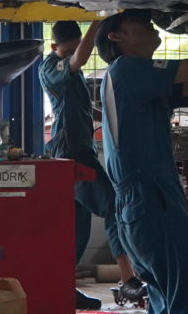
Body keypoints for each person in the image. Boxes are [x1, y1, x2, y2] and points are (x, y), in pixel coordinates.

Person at [95, 1, 188, 314]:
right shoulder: (128, 70)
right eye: (138, 21)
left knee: (171, 298)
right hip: (150, 199)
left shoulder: (140, 80)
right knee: (187, 296)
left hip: (146, 202)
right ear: (117, 37)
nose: (149, 24)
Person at [39, 20, 147, 310]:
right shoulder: (50, 69)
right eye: (69, 50)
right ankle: (127, 278)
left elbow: (84, 108)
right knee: (113, 206)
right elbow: (79, 59)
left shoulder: (72, 72)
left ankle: (63, 288)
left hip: (79, 151)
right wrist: (97, 22)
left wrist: (115, 115)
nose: (75, 54)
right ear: (54, 47)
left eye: (77, 48)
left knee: (78, 229)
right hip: (69, 154)